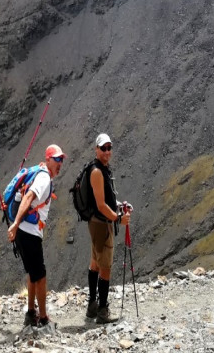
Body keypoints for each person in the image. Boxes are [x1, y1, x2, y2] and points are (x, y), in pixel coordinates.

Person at [7, 144, 66, 327]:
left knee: (33, 273)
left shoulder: (40, 172)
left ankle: (31, 313)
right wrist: (16, 223)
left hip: (23, 231)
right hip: (29, 232)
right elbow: (28, 197)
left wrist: (16, 225)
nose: (60, 163)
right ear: (48, 159)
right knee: (40, 275)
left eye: (61, 159)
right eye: (57, 159)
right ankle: (44, 318)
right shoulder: (44, 178)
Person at [86, 133, 131, 324]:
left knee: (95, 263)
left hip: (97, 223)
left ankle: (92, 306)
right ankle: (102, 312)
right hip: (102, 224)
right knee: (105, 266)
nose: (107, 151)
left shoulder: (99, 169)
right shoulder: (97, 172)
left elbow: (106, 200)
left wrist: (119, 206)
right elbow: (101, 205)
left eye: (109, 148)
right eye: (103, 148)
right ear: (96, 149)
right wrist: (118, 218)